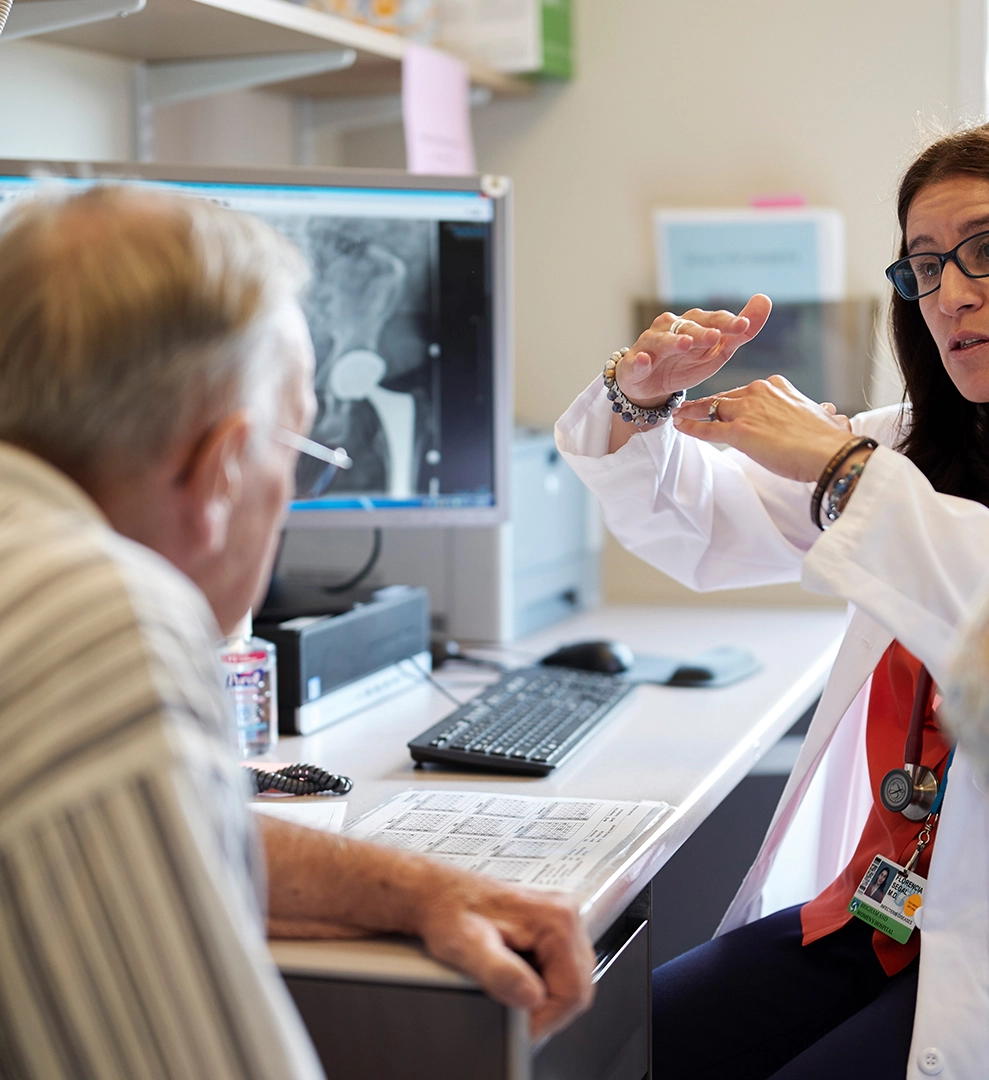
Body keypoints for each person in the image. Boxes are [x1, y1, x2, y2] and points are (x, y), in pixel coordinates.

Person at [0, 184, 594, 1078]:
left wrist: (420, 891)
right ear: (223, 471)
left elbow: (169, 836)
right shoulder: (89, 616)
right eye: (299, 448)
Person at [556, 112, 989, 1078]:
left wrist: (840, 467)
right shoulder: (922, 448)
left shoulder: (876, 467)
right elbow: (702, 526)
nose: (950, 294)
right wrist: (640, 402)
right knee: (612, 1051)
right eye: (923, 267)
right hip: (887, 913)